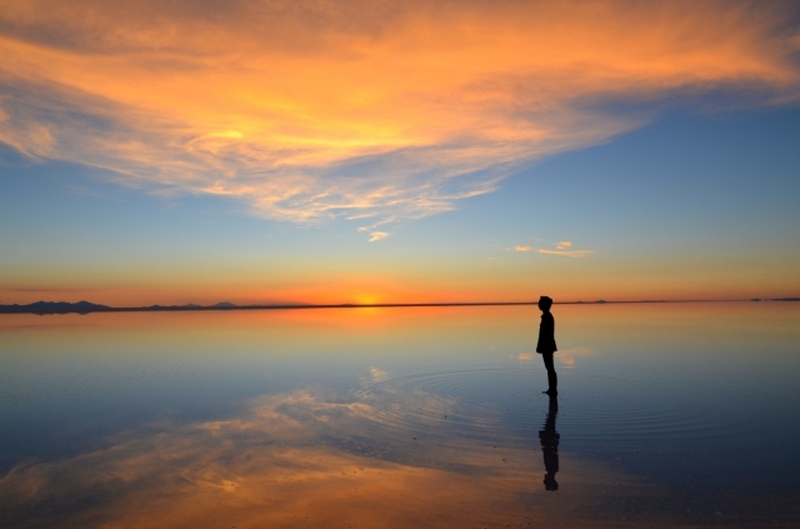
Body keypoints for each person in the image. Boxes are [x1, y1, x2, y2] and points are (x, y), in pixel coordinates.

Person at [536, 295, 558, 395]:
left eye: (540, 303)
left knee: (550, 368)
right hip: (547, 345)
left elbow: (545, 334)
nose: (538, 305)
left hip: (547, 346)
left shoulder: (547, 317)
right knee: (549, 368)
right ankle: (552, 389)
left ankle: (553, 389)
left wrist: (540, 346)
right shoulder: (546, 316)